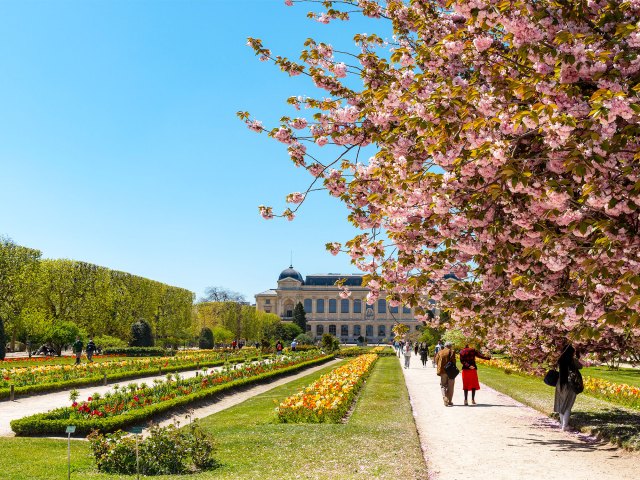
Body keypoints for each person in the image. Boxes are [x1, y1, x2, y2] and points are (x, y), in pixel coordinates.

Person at [555, 344, 582, 431]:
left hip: (560, 384)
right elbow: (580, 366)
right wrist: (577, 357)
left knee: (561, 404)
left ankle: (562, 424)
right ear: (571, 352)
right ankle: (564, 426)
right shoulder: (572, 360)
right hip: (570, 384)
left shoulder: (560, 360)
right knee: (568, 406)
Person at [435, 341, 456, 406]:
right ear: (450, 346)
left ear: (445, 346)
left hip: (443, 371)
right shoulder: (452, 352)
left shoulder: (440, 352)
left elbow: (436, 360)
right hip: (451, 372)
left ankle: (445, 397)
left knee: (443, 385)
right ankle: (449, 401)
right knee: (451, 387)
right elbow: (454, 361)